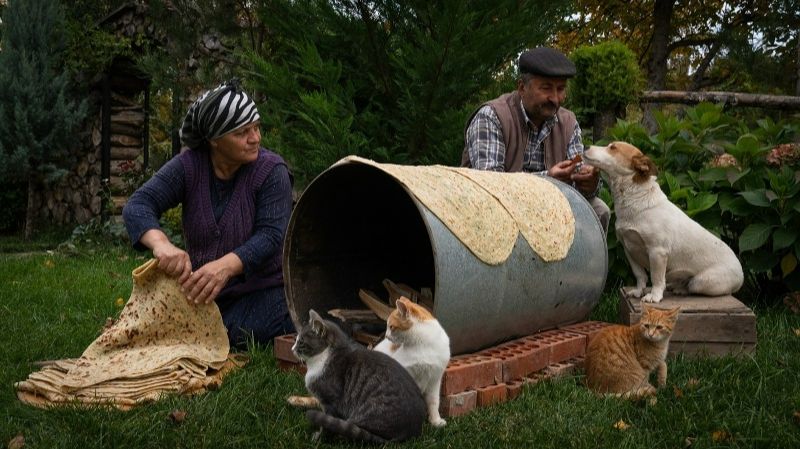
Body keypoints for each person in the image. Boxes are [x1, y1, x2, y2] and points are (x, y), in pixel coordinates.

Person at [123, 79, 295, 349]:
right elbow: (138, 204)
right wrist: (162, 245)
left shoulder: (272, 171)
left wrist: (225, 267)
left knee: (238, 331)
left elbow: (271, 236)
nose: (255, 138)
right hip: (204, 293)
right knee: (159, 328)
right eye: (242, 132)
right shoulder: (190, 166)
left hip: (264, 291)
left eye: (256, 127)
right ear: (215, 140)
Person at [461, 47, 610, 232]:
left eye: (561, 89)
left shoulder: (568, 123)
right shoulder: (492, 117)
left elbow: (580, 188)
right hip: (495, 209)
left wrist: (589, 183)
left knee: (598, 210)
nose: (555, 99)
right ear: (522, 87)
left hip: (551, 205)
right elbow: (490, 186)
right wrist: (547, 180)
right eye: (546, 88)